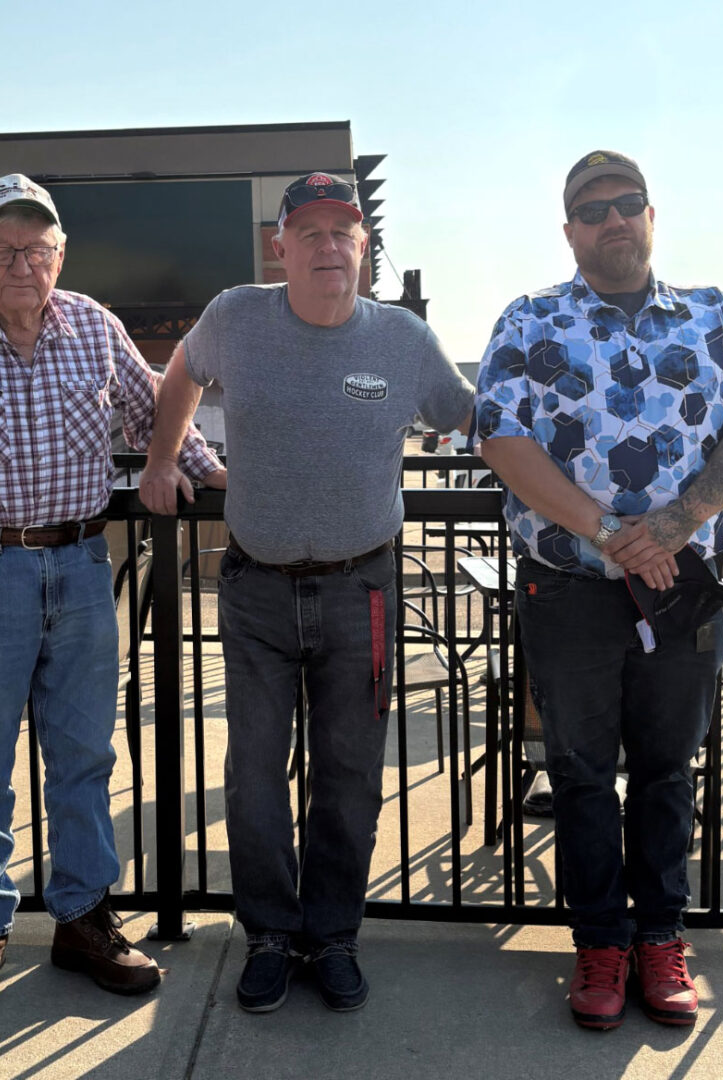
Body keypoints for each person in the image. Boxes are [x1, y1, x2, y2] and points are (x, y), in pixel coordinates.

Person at [0, 173, 225, 1015]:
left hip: (78, 567)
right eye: (1, 249)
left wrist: (228, 492)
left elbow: (157, 416)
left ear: (60, 253)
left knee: (84, 757)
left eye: (36, 248)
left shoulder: (94, 326)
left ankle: (83, 918)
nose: (20, 264)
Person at [140, 172, 474, 1014]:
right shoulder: (235, 317)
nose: (330, 247)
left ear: (364, 248)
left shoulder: (402, 339)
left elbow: (479, 418)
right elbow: (177, 378)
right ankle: (269, 935)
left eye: (345, 233)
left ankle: (332, 935)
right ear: (278, 247)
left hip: (361, 589)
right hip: (255, 587)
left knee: (350, 774)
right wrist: (161, 459)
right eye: (312, 233)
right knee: (252, 774)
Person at [475, 150, 723, 1030]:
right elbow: (497, 434)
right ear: (569, 230)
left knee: (665, 768)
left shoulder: (716, 316)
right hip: (568, 590)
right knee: (576, 770)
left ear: (652, 216)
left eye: (627, 204)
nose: (613, 219)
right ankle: (599, 941)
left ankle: (660, 939)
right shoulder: (529, 321)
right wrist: (608, 533)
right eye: (592, 209)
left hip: (681, 588)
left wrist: (678, 524)